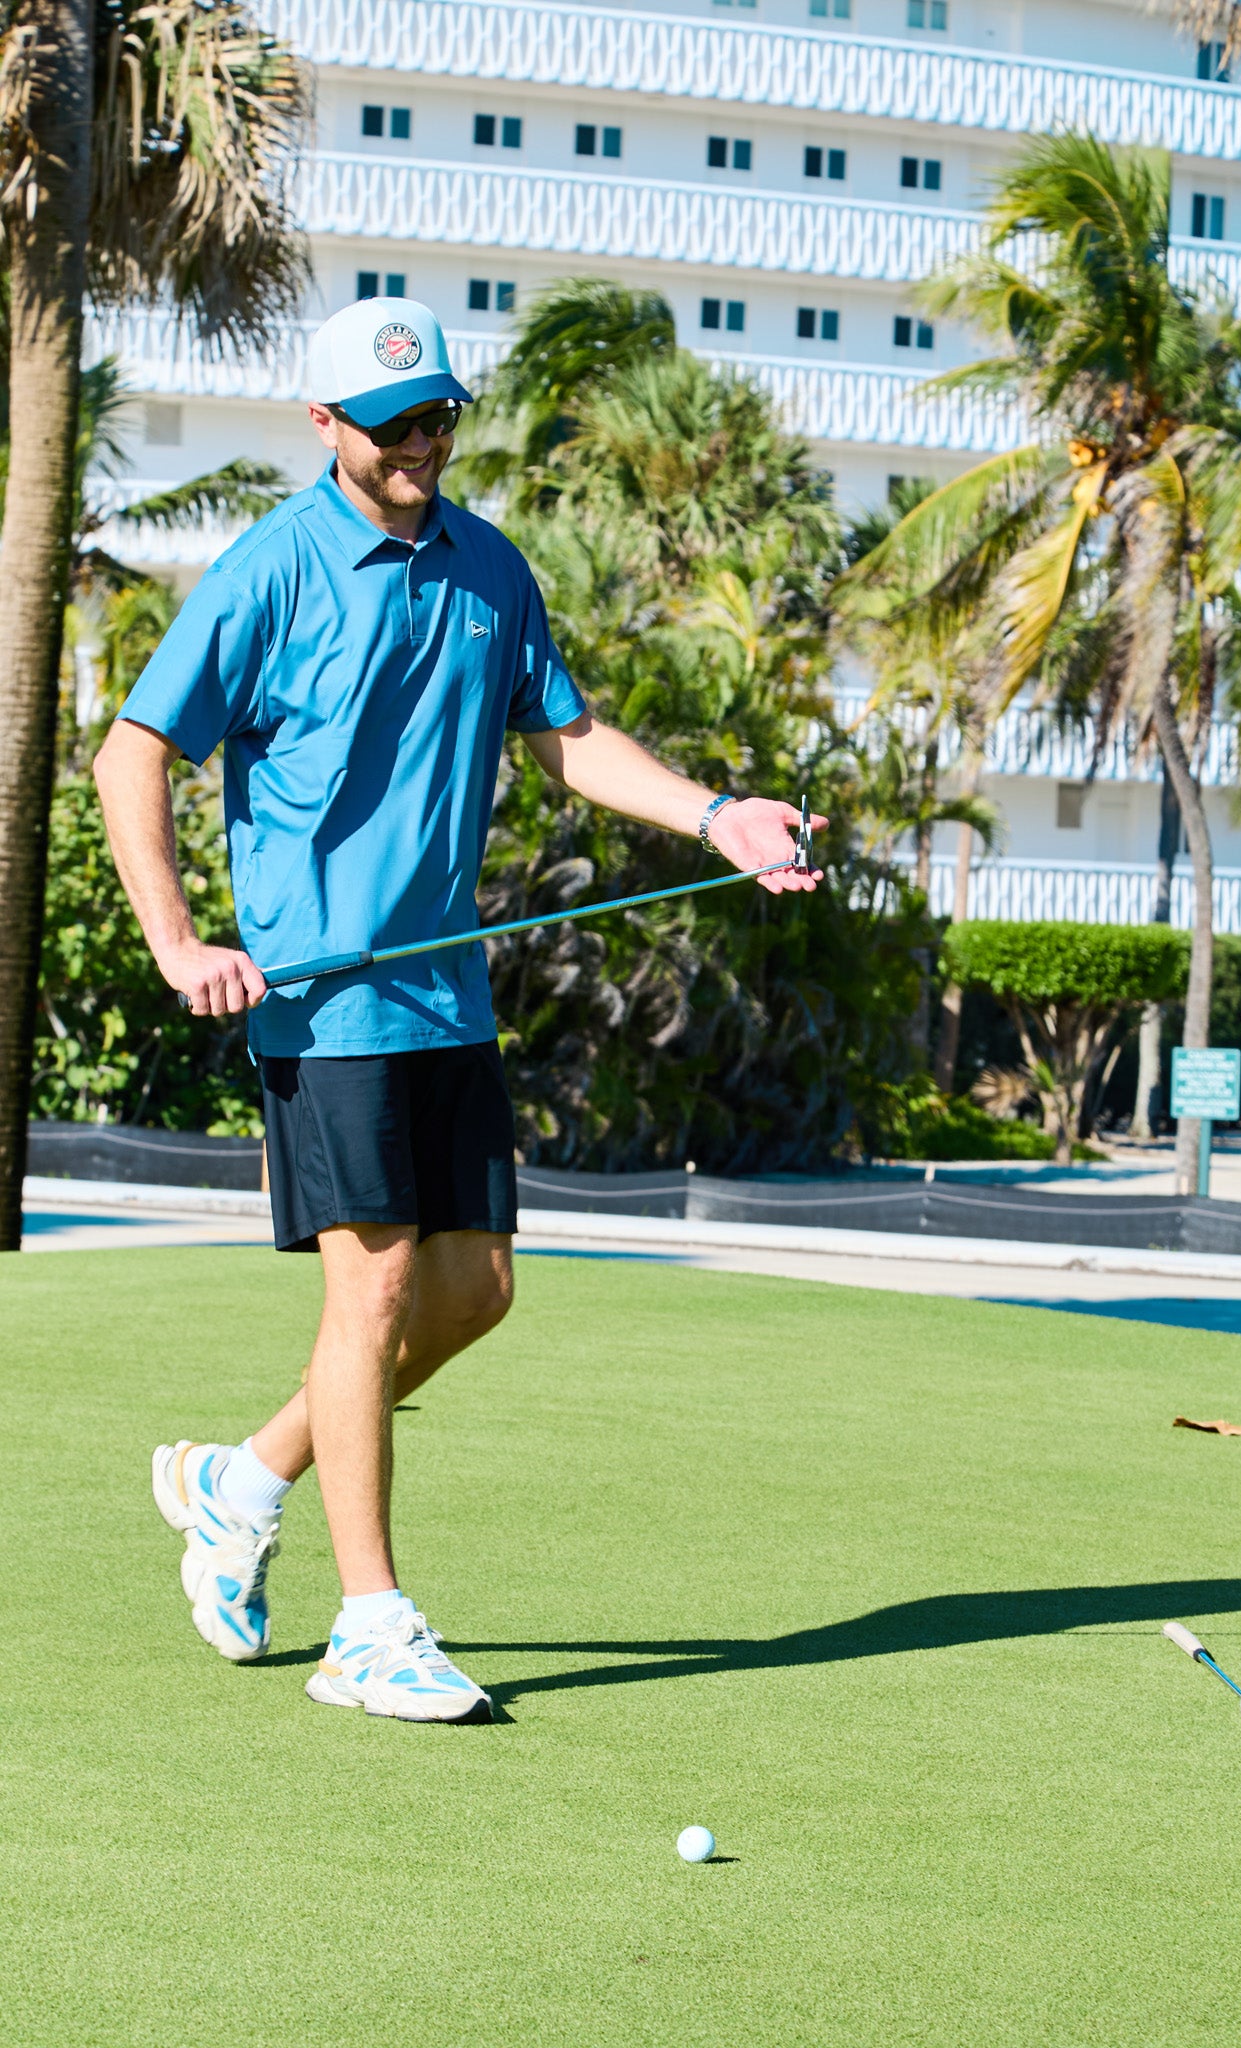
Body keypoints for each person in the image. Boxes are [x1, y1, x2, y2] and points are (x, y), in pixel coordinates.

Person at [93, 296, 823, 1724]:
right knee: (368, 1292)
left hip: (446, 989)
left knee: (475, 1290)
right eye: (393, 425)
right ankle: (370, 1627)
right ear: (326, 426)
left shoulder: (490, 566)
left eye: (437, 416)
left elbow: (568, 738)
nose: (422, 442)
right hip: (322, 999)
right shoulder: (268, 570)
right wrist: (178, 941)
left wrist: (717, 813)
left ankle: (244, 1478)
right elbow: (134, 753)